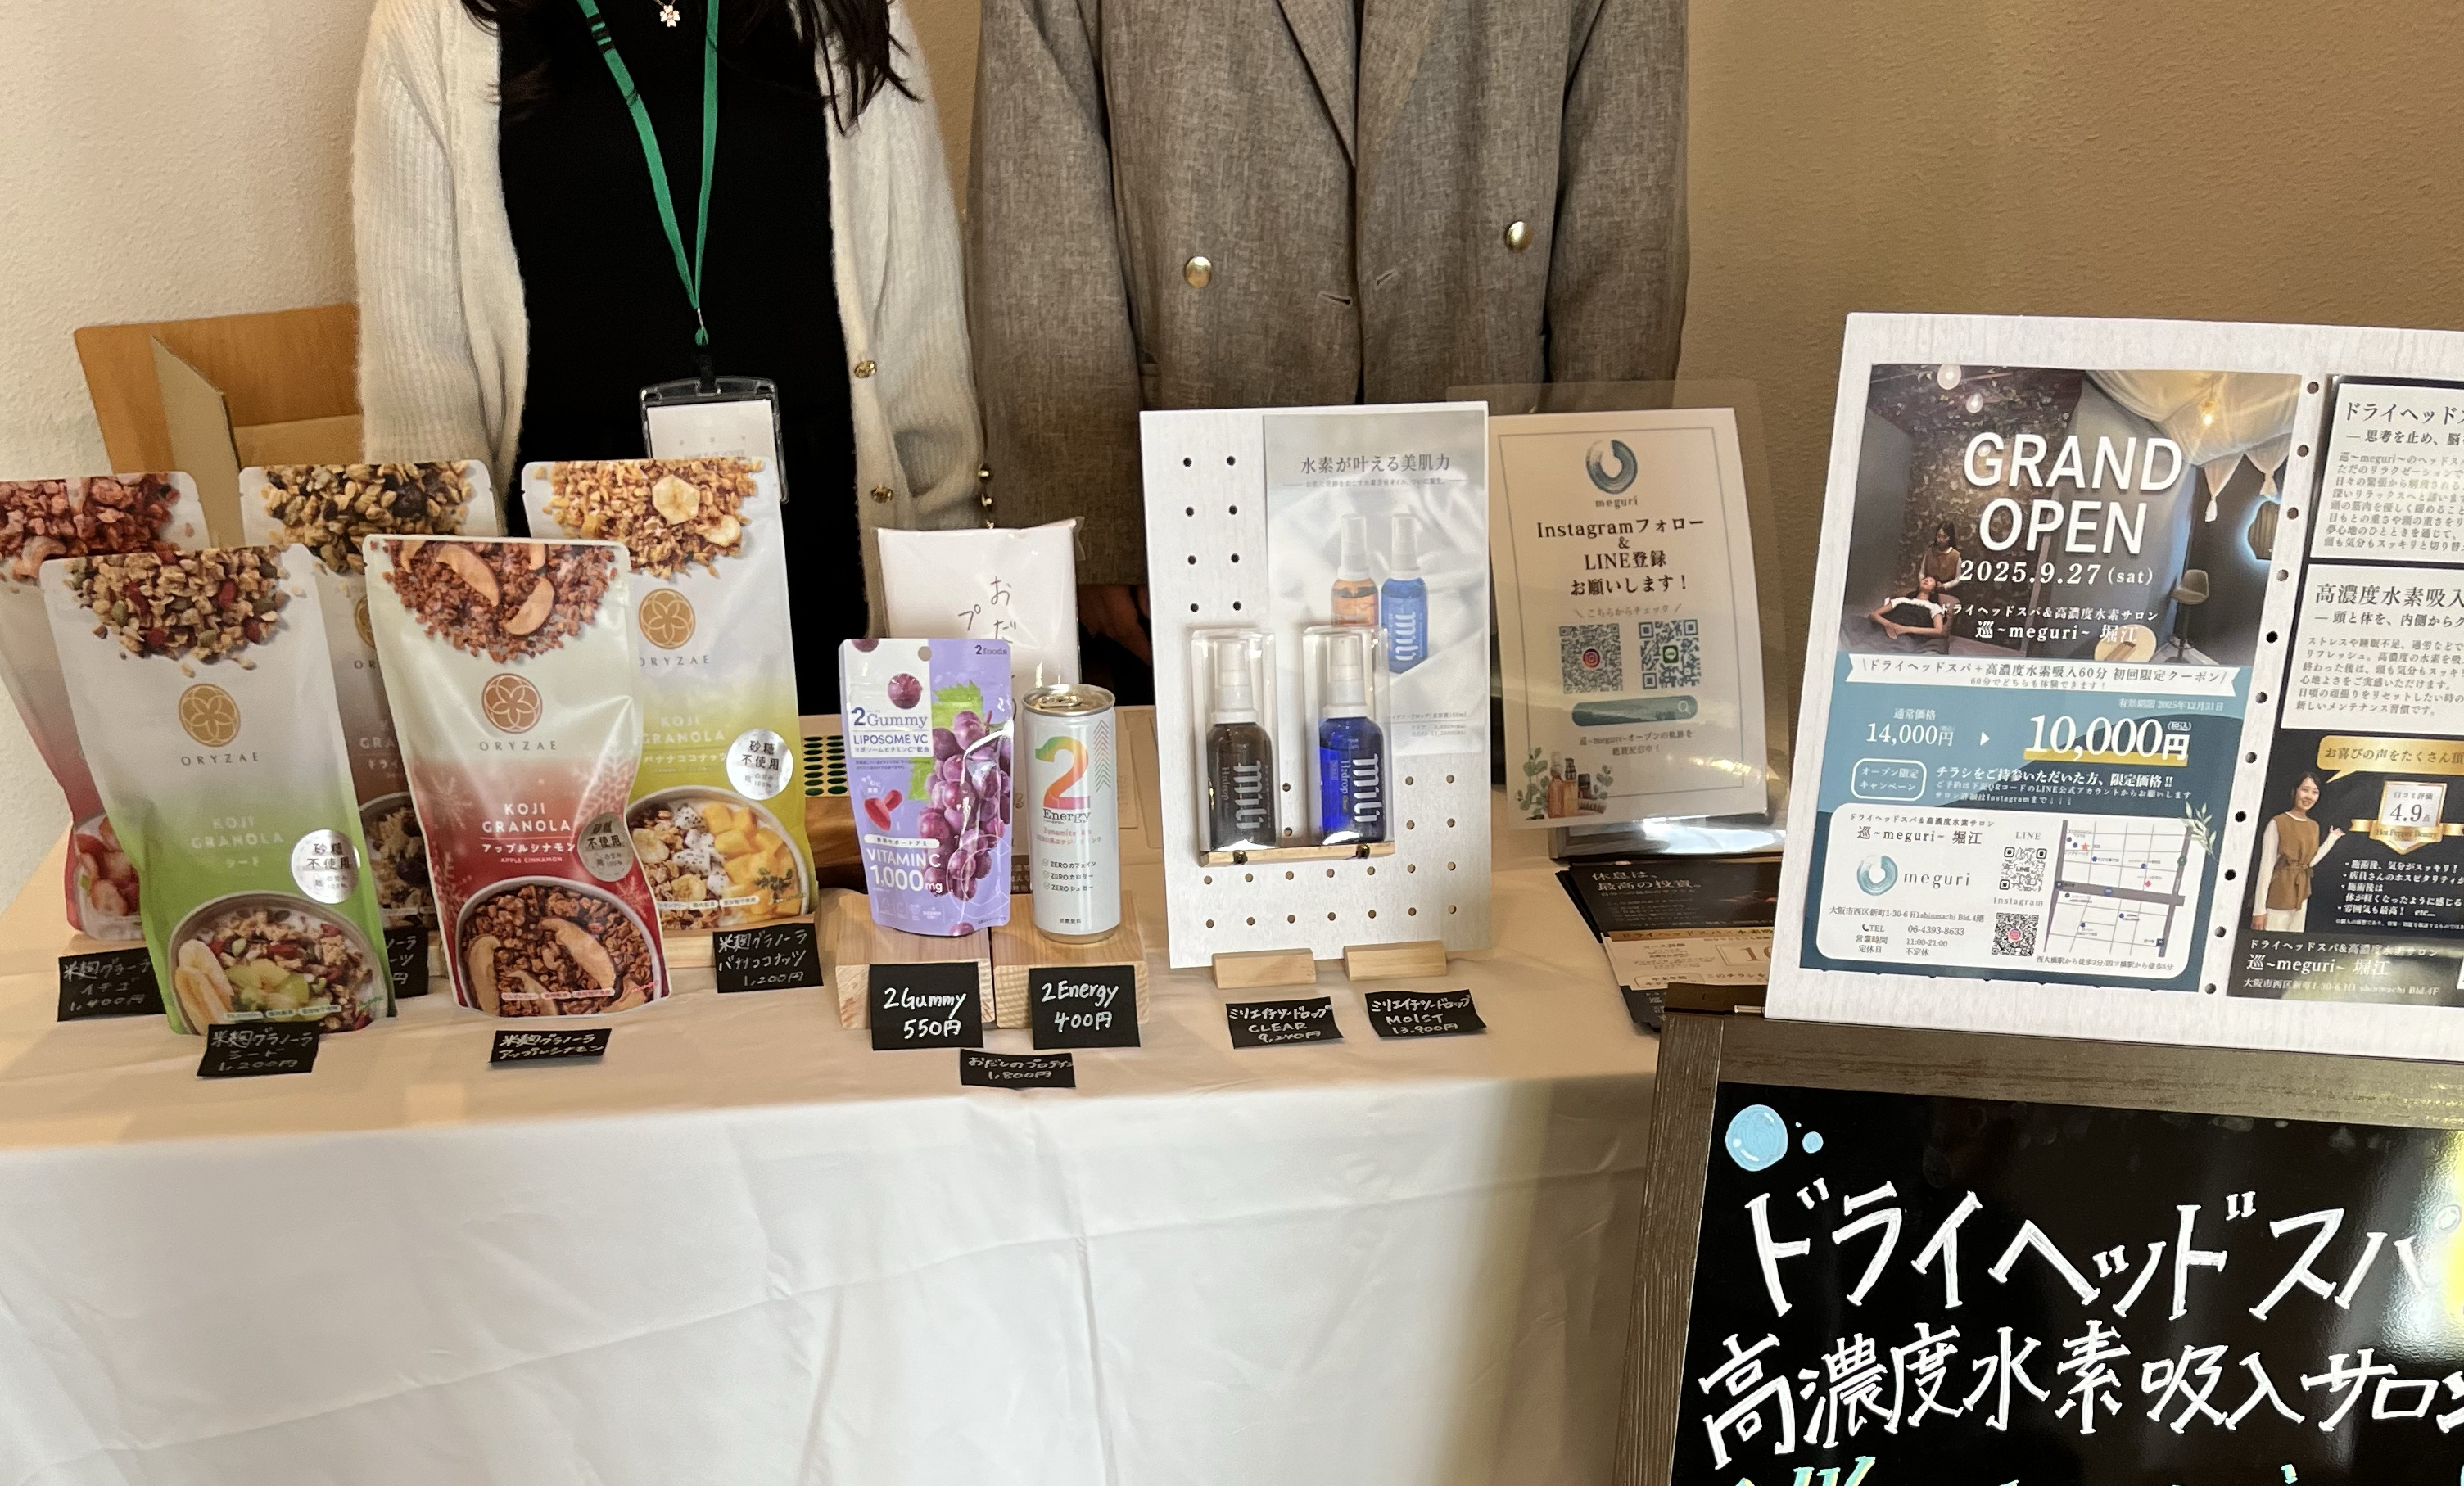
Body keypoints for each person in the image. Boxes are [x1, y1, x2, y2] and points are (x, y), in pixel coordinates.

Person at [965, 0, 1686, 687]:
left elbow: (1625, 213)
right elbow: (1041, 202)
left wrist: (1587, 526)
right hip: (1178, 517)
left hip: (1491, 514)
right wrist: (1091, 528)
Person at [354, 0, 980, 712]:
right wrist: (465, 681)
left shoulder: (848, 13)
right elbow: (421, 397)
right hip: (564, 618)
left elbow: (923, 354)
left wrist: (950, 628)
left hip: (830, 589)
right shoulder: (433, 25)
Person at [2252, 773, 2345, 932]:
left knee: (2293, 942)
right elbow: (2266, 867)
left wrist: (2332, 839)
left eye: (2315, 792)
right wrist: (2259, 909)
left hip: (2302, 894)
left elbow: (2309, 863)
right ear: (2295, 791)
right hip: (2279, 893)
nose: (2309, 796)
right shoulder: (2278, 822)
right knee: (2273, 942)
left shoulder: (2314, 826)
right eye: (2305, 790)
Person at [1869, 574, 1951, 648]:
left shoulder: (1934, 607)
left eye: (1930, 581)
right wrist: (1888, 624)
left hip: (1909, 638)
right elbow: (1873, 615)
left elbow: (1938, 631)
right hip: (1884, 632)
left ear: (1933, 590)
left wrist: (1907, 629)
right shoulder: (1901, 600)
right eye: (1925, 579)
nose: (1926, 580)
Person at [1924, 522, 1963, 592]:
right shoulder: (1929, 553)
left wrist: (1945, 586)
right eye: (1939, 536)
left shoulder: (1955, 556)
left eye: (1944, 537)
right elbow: (1922, 573)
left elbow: (1958, 578)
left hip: (1947, 592)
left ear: (1950, 538)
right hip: (1927, 590)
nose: (1941, 540)